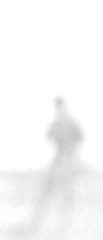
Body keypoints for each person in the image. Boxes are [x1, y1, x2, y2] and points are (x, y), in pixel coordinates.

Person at [20, 98, 83, 238]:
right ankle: (38, 225)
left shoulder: (71, 123)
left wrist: (74, 158)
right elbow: (49, 137)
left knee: (66, 196)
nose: (59, 110)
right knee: (47, 193)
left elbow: (79, 139)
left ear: (64, 107)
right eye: (58, 108)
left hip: (68, 162)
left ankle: (64, 228)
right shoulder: (56, 123)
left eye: (61, 107)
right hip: (58, 161)